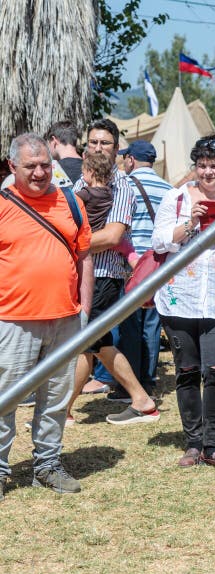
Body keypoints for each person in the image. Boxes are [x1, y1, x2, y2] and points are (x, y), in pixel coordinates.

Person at [151, 134, 215, 470]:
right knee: (187, 371)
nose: (208, 172)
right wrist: (190, 222)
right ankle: (193, 444)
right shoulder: (175, 199)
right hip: (179, 298)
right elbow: (159, 241)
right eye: (203, 165)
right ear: (195, 166)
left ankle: (213, 445)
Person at [0, 133, 92, 498]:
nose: (40, 173)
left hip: (65, 320)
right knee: (4, 399)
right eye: (30, 167)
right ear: (12, 167)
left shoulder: (70, 202)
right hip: (12, 321)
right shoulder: (3, 204)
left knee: (55, 399)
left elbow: (84, 257)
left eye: (45, 165)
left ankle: (48, 466)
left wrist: (84, 312)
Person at [66, 119, 159, 426]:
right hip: (79, 274)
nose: (98, 148)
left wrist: (68, 245)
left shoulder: (122, 186)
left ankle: (61, 410)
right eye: (93, 142)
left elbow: (112, 236)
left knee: (87, 340)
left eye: (105, 143)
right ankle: (142, 401)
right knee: (98, 342)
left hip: (105, 274)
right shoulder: (80, 183)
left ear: (117, 149)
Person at [111, 139, 174, 402]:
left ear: (131, 160)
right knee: (151, 325)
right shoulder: (170, 189)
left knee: (129, 326)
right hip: (158, 263)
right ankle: (147, 381)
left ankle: (130, 385)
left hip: (132, 262)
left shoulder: (123, 185)